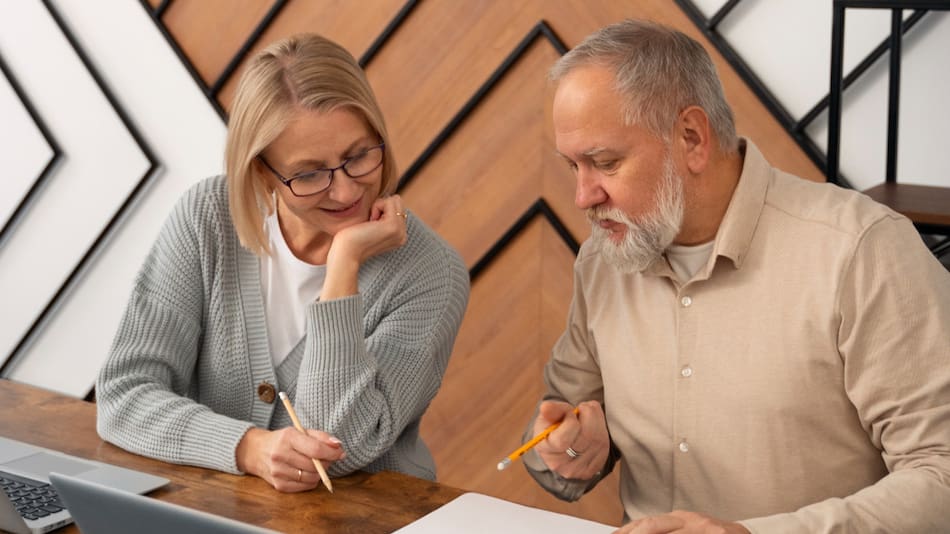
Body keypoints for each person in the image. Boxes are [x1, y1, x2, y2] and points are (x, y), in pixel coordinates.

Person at [522, 19, 950, 533]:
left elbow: (940, 473)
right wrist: (568, 448)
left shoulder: (861, 250)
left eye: (605, 163)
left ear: (692, 137)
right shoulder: (602, 261)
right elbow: (558, 425)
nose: (583, 197)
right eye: (573, 167)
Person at [95, 33, 469, 493]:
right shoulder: (207, 220)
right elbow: (124, 394)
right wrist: (247, 447)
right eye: (309, 174)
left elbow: (337, 447)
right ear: (260, 172)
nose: (347, 191)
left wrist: (344, 265)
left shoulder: (431, 273)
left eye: (359, 156)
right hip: (220, 515)